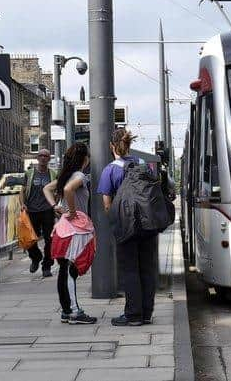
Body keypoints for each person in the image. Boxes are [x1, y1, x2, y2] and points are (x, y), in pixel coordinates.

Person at [98, 128, 156, 327]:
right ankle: (147, 313)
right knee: (147, 268)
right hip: (147, 225)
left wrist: (116, 222)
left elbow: (107, 204)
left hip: (126, 227)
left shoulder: (110, 170)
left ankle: (133, 315)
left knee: (130, 269)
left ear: (111, 146)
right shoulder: (143, 165)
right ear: (129, 144)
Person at [43, 142, 97, 325]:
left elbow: (47, 189)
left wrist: (55, 206)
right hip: (73, 230)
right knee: (69, 270)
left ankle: (67, 310)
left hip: (62, 229)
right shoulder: (79, 175)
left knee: (64, 270)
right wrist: (73, 212)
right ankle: (74, 311)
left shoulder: (65, 175)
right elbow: (67, 190)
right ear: (84, 158)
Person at [20, 149, 57, 277]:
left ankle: (47, 266)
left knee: (50, 240)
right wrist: (23, 204)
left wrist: (55, 205)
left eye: (46, 156)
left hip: (47, 210)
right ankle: (36, 257)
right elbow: (23, 191)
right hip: (32, 210)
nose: (43, 158)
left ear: (49, 159)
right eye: (40, 155)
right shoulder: (29, 173)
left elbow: (57, 191)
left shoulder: (53, 174)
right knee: (30, 239)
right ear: (37, 158)